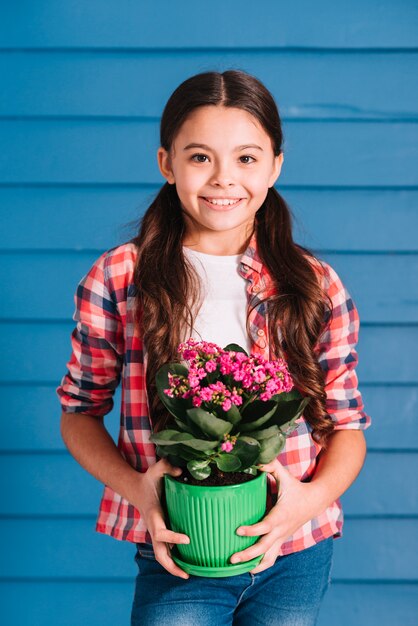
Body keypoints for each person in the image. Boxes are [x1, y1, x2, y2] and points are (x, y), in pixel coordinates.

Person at [57, 70, 371, 626]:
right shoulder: (119, 277)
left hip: (295, 549)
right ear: (166, 163)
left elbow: (345, 427)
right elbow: (79, 413)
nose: (224, 178)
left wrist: (308, 501)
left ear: (275, 166)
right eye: (200, 157)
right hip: (179, 548)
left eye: (247, 159)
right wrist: (139, 490)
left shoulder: (315, 284)